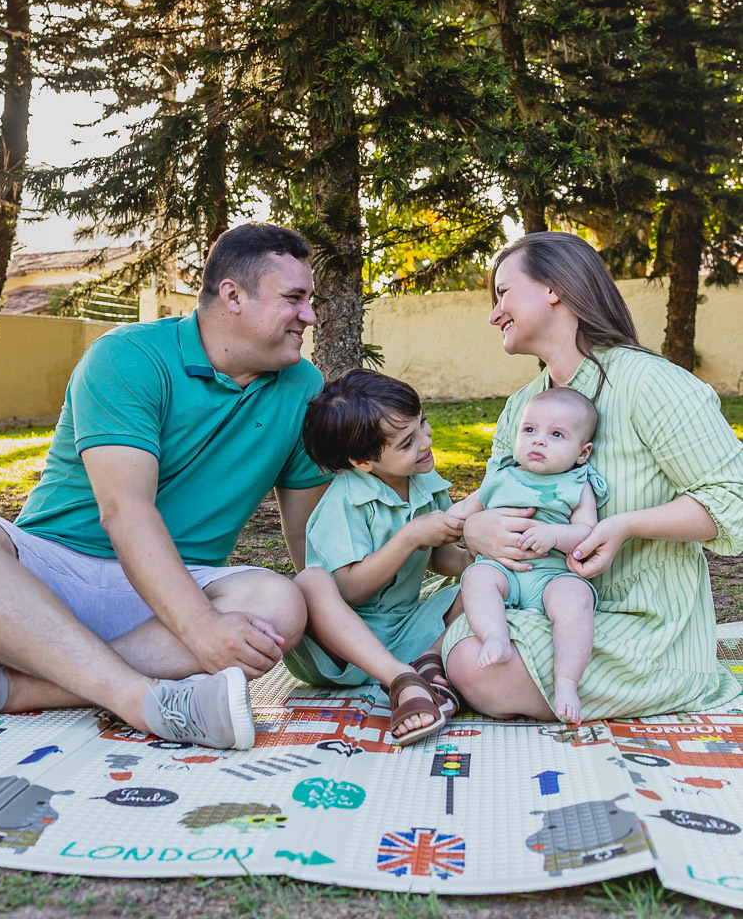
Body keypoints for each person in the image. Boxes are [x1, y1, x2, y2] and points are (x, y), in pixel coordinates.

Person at [0, 223, 330, 749]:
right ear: (233, 295)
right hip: (53, 576)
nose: (309, 315)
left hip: (180, 584)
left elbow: (311, 538)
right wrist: (198, 630)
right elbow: (125, 510)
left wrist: (357, 631)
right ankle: (139, 699)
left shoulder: (304, 386)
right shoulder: (129, 356)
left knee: (280, 605)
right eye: (294, 299)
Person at [443, 231, 743, 721]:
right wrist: (475, 529)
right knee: (457, 625)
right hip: (537, 606)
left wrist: (624, 525)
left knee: (474, 664)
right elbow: (496, 499)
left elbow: (733, 499)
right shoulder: (523, 406)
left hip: (644, 631)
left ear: (554, 288)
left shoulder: (651, 383)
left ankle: (439, 673)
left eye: (503, 292)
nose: (494, 313)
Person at [283, 369, 468, 745]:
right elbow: (350, 591)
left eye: (423, 425)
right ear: (363, 461)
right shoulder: (343, 502)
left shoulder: (426, 484)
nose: (425, 441)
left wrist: (477, 559)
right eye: (406, 443)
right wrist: (409, 537)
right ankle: (399, 679)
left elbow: (440, 558)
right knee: (311, 582)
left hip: (408, 627)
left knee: (486, 582)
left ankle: (429, 663)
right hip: (343, 643)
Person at [449, 387, 606, 723]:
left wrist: (555, 534)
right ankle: (495, 636)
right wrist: (450, 525)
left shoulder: (577, 485)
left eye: (556, 434)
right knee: (476, 578)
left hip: (551, 574)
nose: (538, 441)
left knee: (575, 599)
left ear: (582, 452)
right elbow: (462, 514)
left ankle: (566, 683)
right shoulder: (500, 477)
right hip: (501, 569)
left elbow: (587, 532)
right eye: (529, 430)